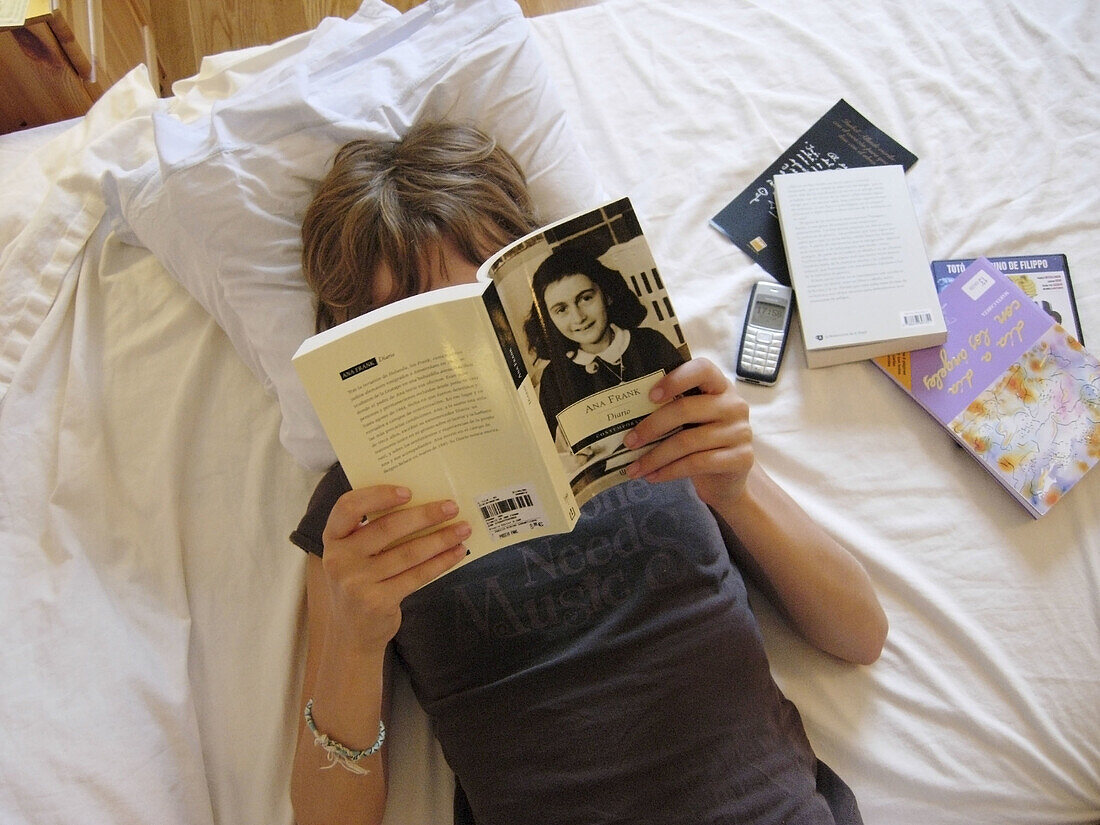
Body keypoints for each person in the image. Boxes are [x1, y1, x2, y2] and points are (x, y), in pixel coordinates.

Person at [289, 120, 889, 825]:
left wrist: (738, 490)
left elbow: (860, 634)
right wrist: (357, 644)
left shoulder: (649, 393)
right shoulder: (355, 515)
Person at [522, 245, 686, 442]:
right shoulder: (552, 378)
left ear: (606, 294)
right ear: (549, 320)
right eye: (561, 309)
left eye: (585, 298)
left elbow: (690, 401)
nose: (578, 317)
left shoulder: (651, 342)